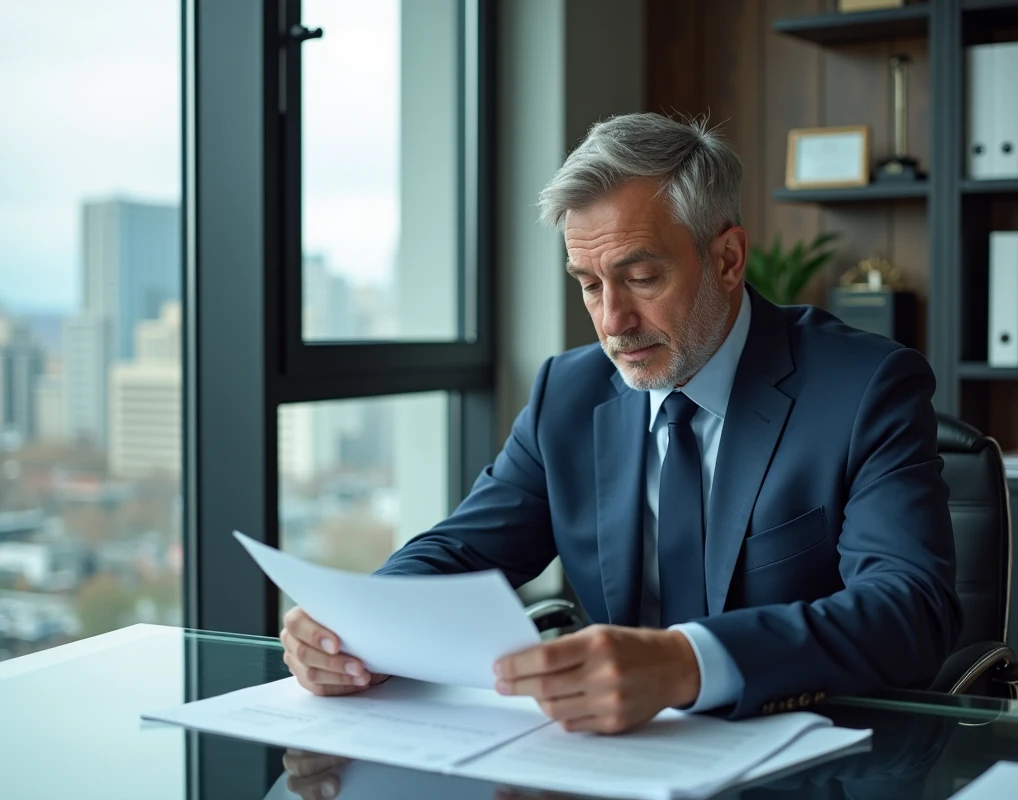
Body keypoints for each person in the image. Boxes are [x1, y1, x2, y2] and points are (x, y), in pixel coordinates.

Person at [280, 112, 962, 734]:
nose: (613, 322)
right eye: (589, 284)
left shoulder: (865, 387)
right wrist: (355, 628)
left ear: (727, 259)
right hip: (613, 756)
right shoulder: (568, 394)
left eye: (641, 278)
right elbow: (460, 551)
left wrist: (687, 663)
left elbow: (909, 610)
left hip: (810, 756)